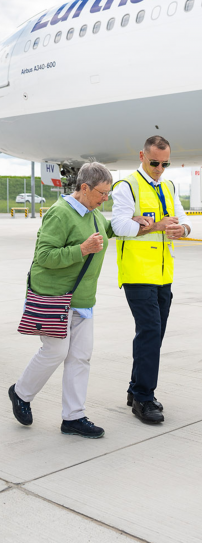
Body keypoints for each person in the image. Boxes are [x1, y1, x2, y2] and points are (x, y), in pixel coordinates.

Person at [9, 162, 120, 439]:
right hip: (56, 297)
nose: (105, 199)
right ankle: (21, 392)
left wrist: (143, 225)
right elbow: (44, 256)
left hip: (82, 299)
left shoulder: (93, 214)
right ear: (84, 188)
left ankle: (73, 417)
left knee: (80, 358)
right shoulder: (60, 213)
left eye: (108, 194)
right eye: (102, 193)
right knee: (56, 352)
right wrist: (81, 250)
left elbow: (111, 229)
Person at [111, 135, 191, 425]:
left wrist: (182, 229)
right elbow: (117, 225)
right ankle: (144, 397)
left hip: (163, 275)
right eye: (155, 162)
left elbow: (183, 218)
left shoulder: (168, 186)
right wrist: (154, 226)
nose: (159, 168)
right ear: (142, 156)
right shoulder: (127, 186)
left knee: (152, 336)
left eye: (165, 163)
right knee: (150, 332)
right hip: (137, 274)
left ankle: (135, 389)